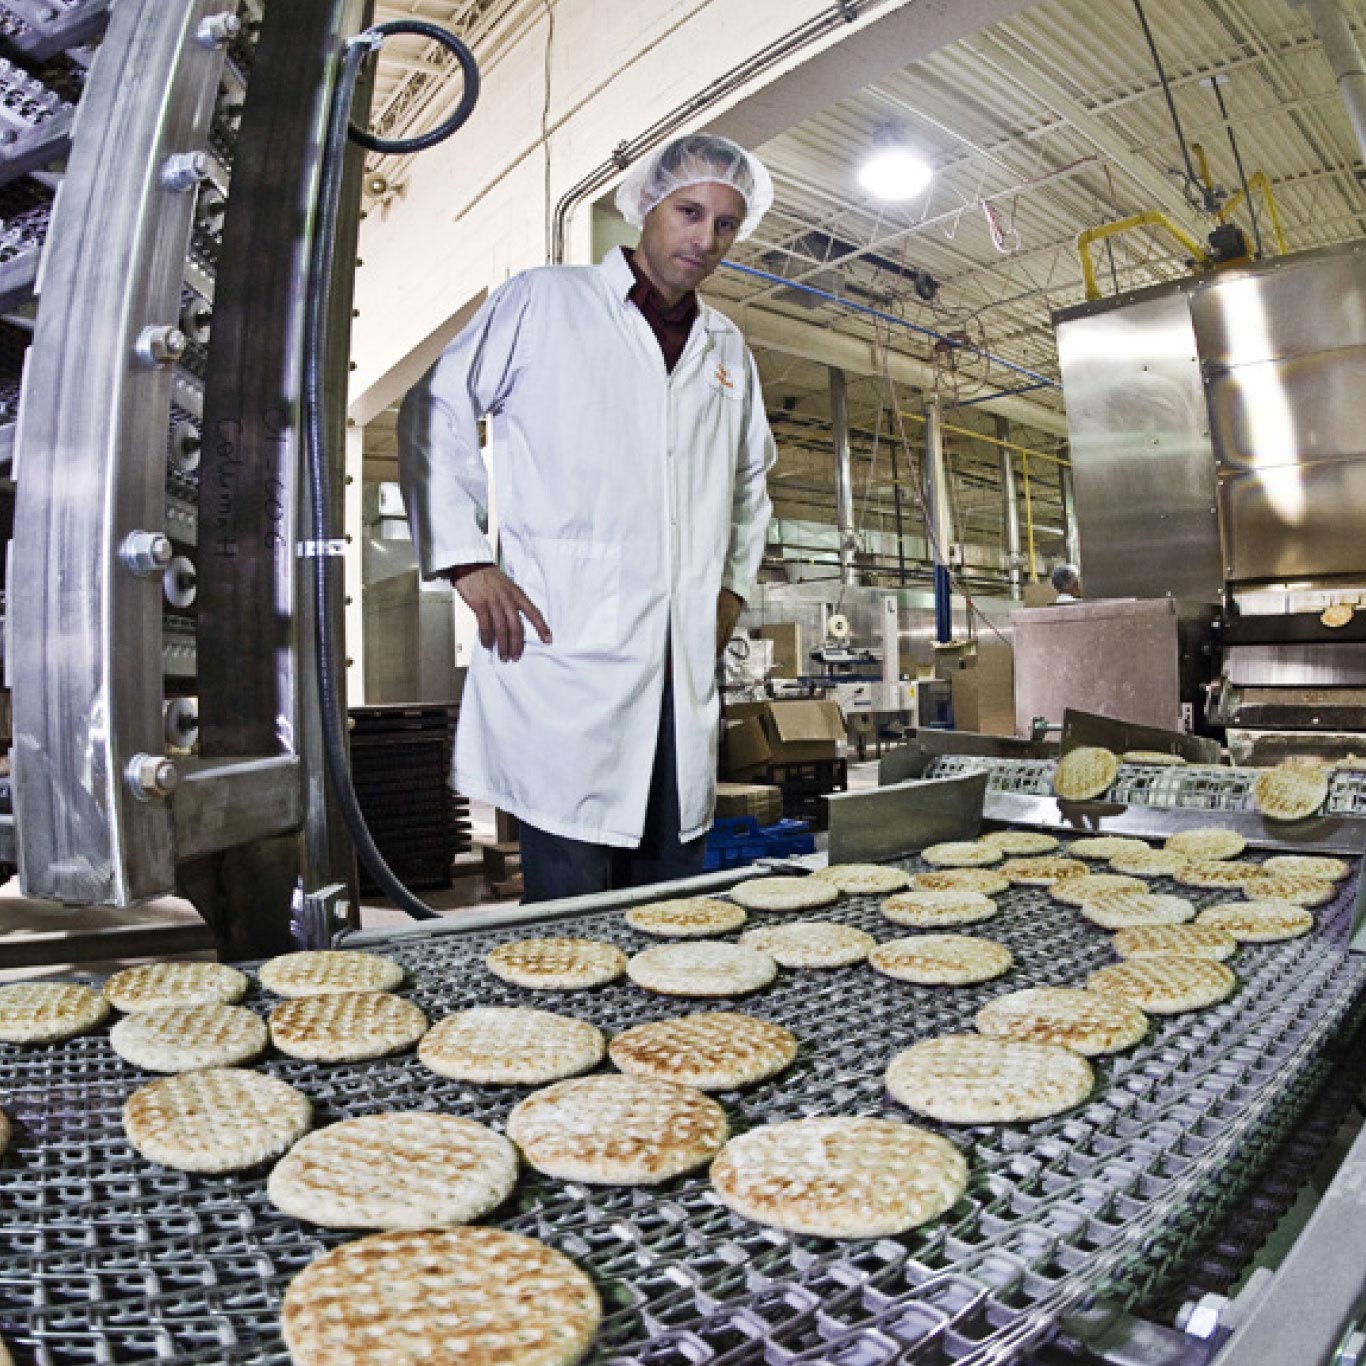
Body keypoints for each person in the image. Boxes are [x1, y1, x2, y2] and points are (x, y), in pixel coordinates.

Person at [397, 133, 776, 903]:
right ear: (647, 206)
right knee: (570, 909)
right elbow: (433, 406)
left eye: (727, 224)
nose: (706, 239)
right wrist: (467, 560)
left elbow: (749, 479)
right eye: (690, 211)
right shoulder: (546, 301)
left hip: (678, 672)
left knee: (673, 903)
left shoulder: (726, 345)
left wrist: (731, 588)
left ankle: (669, 1028)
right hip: (567, 660)